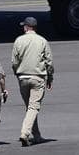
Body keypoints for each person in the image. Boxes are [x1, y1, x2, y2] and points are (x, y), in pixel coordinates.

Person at [11, 16, 53, 147]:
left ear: (27, 27)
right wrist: (50, 77)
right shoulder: (42, 41)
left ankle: (37, 135)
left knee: (30, 107)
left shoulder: (19, 40)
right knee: (33, 107)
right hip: (38, 77)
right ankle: (25, 133)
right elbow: (49, 62)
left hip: (23, 78)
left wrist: (17, 73)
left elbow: (14, 61)